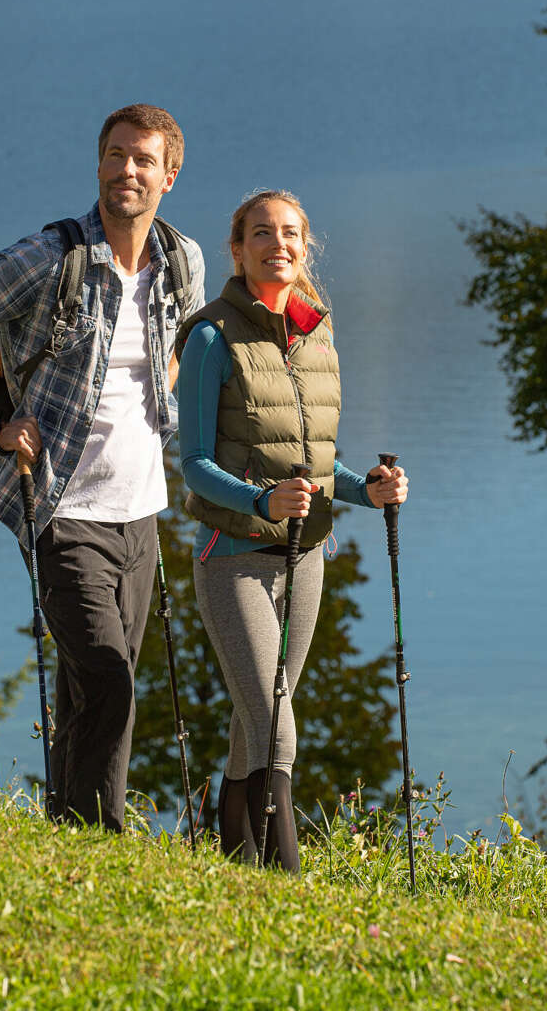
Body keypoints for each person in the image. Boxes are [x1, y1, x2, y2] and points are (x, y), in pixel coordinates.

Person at [0, 104, 205, 831]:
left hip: (141, 515)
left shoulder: (183, 260)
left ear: (171, 174)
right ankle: (101, 840)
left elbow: (184, 346)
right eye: (115, 155)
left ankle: (64, 836)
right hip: (60, 510)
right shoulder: (49, 259)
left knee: (89, 691)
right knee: (111, 679)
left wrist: (160, 409)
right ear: (98, 164)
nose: (126, 171)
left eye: (143, 159)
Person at [174, 190, 409, 871]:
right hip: (234, 560)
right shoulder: (212, 336)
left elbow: (317, 469)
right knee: (277, 722)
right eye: (261, 233)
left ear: (306, 246)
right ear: (238, 249)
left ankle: (234, 864)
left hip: (307, 558)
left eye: (291, 233)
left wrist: (368, 490)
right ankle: (288, 878)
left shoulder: (317, 335)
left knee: (257, 723)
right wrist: (259, 501)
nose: (278, 244)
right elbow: (193, 466)